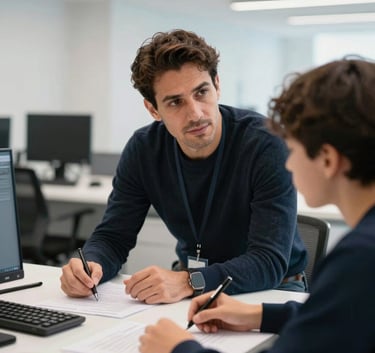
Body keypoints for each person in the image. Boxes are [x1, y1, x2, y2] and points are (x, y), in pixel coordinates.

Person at [138, 57, 375, 353]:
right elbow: (343, 318)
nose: (287, 161)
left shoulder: (360, 259)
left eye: (293, 148)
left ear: (327, 159)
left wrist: (179, 349)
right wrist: (259, 314)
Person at [60, 29, 307, 304]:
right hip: (193, 286)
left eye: (201, 92)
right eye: (175, 102)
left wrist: (190, 281)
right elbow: (113, 236)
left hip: (271, 290)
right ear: (153, 110)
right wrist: (90, 266)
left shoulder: (266, 144)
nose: (196, 113)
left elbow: (268, 262)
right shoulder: (144, 149)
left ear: (217, 85)